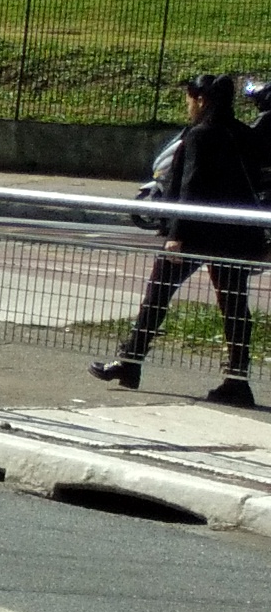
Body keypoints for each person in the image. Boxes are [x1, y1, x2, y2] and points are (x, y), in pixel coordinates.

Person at [94, 72, 260, 407]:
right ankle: (237, 380)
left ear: (200, 100)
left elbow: (190, 187)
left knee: (158, 295)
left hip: (196, 233)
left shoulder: (200, 135)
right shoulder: (242, 133)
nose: (187, 106)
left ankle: (131, 362)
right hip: (235, 233)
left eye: (188, 99)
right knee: (234, 307)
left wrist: (176, 235)